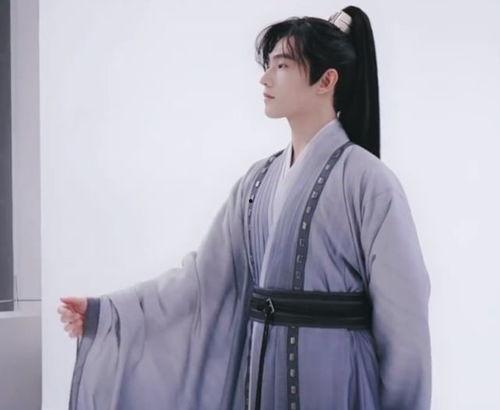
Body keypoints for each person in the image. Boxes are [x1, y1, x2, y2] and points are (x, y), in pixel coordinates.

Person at [58, 6, 432, 410]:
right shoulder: (257, 182)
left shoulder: (369, 181)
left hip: (336, 378)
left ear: (326, 80)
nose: (265, 78)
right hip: (264, 372)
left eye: (282, 66)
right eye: (268, 65)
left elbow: (404, 318)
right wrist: (108, 313)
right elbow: (201, 281)